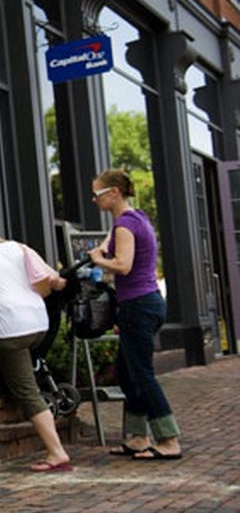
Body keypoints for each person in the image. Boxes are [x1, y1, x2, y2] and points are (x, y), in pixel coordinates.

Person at [0, 215, 73, 472]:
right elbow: (54, 278)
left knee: (26, 391)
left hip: (12, 330)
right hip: (38, 323)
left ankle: (57, 453)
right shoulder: (18, 247)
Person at [88, 169, 182, 460]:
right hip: (148, 303)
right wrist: (104, 246)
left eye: (97, 194)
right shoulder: (134, 217)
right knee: (127, 374)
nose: (94, 200)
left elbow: (124, 265)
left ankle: (168, 439)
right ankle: (138, 437)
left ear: (113, 192)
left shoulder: (125, 226)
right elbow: (113, 238)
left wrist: (99, 260)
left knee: (142, 374)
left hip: (137, 305)